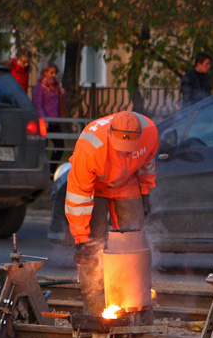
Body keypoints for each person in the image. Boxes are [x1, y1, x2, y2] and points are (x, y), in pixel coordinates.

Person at [64, 110, 158, 315]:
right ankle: (96, 312)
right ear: (110, 135)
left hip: (127, 182)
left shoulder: (150, 133)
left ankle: (133, 307)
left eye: (128, 150)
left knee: (134, 241)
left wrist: (145, 193)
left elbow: (147, 166)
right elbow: (77, 196)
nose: (123, 153)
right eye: (119, 149)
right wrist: (81, 239)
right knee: (92, 247)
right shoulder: (89, 148)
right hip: (94, 187)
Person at [32, 63, 67, 165]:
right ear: (45, 73)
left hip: (55, 121)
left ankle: (52, 169)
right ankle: (43, 170)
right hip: (45, 121)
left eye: (55, 73)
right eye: (51, 73)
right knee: (43, 148)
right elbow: (38, 104)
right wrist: (43, 119)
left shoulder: (56, 85)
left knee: (60, 146)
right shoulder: (40, 87)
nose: (53, 75)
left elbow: (63, 100)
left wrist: (63, 93)